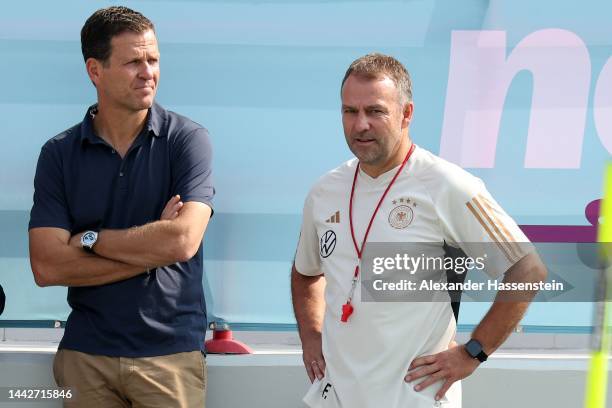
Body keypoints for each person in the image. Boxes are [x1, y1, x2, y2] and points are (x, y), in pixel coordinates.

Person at [291, 53, 547, 408]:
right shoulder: (325, 190)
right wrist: (311, 336)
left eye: (375, 111)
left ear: (406, 113)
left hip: (413, 399)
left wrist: (473, 352)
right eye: (350, 111)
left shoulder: (447, 184)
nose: (360, 124)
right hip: (335, 397)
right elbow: (305, 273)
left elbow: (528, 271)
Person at [28, 6, 213, 407]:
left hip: (169, 357)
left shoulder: (187, 141)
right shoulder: (59, 154)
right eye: (133, 62)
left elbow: (182, 241)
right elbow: (47, 267)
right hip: (85, 356)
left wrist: (89, 239)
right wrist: (150, 252)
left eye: (153, 59)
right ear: (95, 71)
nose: (148, 72)